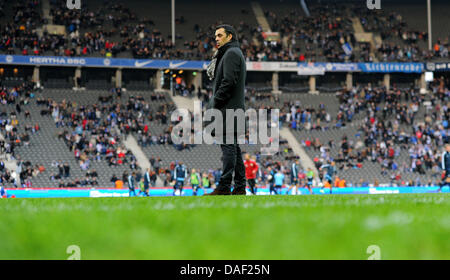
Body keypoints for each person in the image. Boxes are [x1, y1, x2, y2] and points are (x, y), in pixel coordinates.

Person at [205, 24, 247, 196]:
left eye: (220, 35)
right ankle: (239, 188)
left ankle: (224, 186)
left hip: (228, 109)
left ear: (230, 37)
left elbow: (229, 81)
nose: (216, 38)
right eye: (215, 35)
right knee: (233, 148)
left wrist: (215, 102)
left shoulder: (231, 53)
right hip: (231, 108)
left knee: (228, 147)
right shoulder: (231, 53)